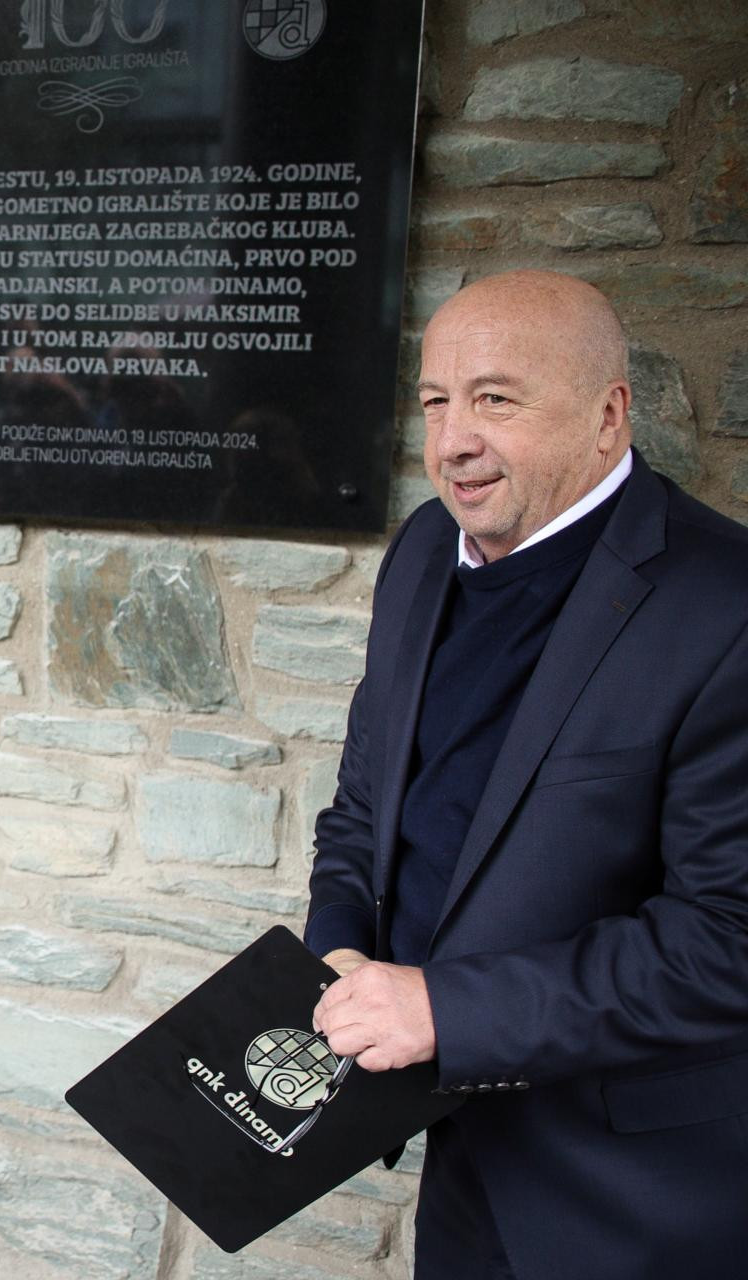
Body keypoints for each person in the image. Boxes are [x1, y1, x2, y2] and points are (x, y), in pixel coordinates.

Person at [306, 269, 748, 1279]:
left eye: (496, 399)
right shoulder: (424, 550)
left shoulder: (727, 608)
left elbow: (729, 938)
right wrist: (339, 947)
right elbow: (367, 802)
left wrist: (445, 1010)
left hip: (637, 1197)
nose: (452, 441)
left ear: (608, 415)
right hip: (461, 1157)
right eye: (435, 401)